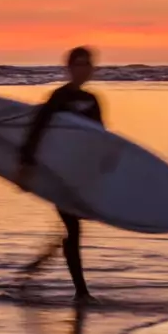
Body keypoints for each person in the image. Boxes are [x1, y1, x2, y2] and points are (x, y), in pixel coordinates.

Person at [18, 45, 102, 304]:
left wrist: (100, 175)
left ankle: (39, 263)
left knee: (72, 229)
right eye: (78, 64)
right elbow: (36, 131)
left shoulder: (92, 101)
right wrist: (26, 166)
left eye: (87, 65)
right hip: (58, 173)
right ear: (69, 68)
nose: (82, 70)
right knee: (73, 229)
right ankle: (81, 292)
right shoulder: (58, 98)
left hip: (80, 175)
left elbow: (100, 140)